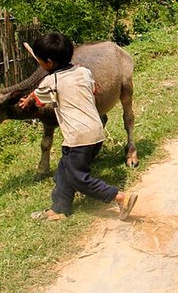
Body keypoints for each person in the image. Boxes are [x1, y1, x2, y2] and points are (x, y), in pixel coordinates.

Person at [18, 32, 138, 221]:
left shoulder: (51, 81)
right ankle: (59, 209)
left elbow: (39, 100)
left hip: (78, 138)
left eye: (40, 61)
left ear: (48, 63)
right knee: (63, 172)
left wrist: (27, 101)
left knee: (77, 177)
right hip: (96, 131)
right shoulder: (83, 71)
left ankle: (120, 197)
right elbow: (94, 90)